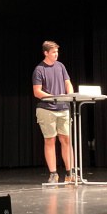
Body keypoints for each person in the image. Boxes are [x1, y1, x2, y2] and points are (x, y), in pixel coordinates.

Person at [32, 40, 74, 184]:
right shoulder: (39, 69)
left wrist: (70, 95)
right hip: (46, 109)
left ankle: (70, 173)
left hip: (63, 109)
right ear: (46, 53)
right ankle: (53, 174)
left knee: (66, 140)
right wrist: (53, 97)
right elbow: (37, 92)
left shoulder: (61, 66)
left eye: (57, 52)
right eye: (53, 52)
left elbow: (68, 83)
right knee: (50, 140)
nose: (56, 54)